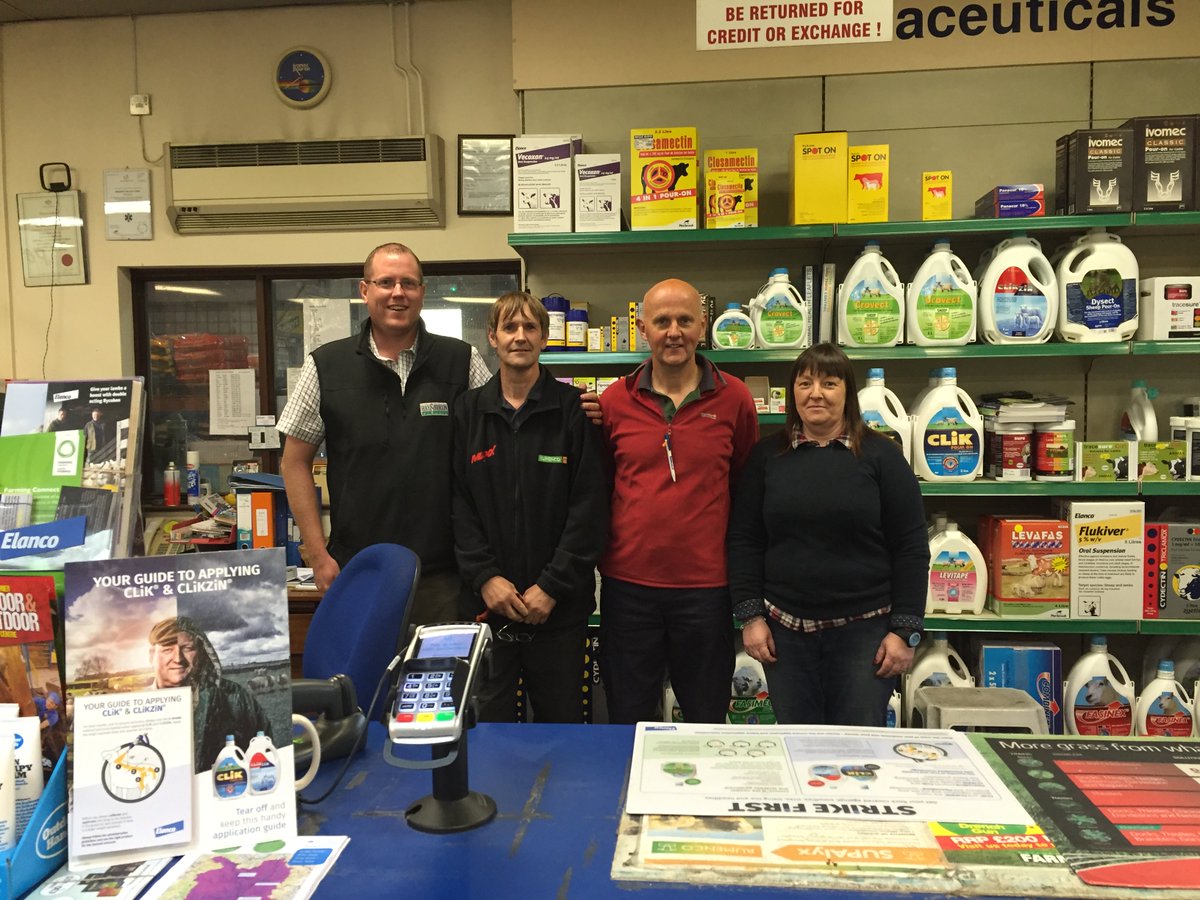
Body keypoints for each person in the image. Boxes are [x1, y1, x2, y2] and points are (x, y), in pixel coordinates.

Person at [277, 242, 492, 624]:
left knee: (440, 681)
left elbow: (502, 435)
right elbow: (294, 462)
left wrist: (579, 408)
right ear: (365, 290)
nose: (398, 293)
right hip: (359, 572)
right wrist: (316, 555)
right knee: (364, 683)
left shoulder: (461, 361)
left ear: (422, 293)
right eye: (386, 282)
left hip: (443, 576)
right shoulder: (326, 365)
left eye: (408, 283)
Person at [727, 343, 930, 727]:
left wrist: (906, 629)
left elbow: (911, 548)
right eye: (804, 383)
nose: (815, 393)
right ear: (793, 393)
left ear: (847, 393)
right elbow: (744, 540)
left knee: (856, 749)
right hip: (784, 634)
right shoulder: (767, 457)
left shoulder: (882, 457)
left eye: (829, 383)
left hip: (865, 634)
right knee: (797, 745)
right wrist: (750, 616)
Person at [598, 278, 759, 724]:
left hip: (705, 590)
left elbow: (745, 487)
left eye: (684, 320)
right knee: (628, 714)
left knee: (706, 715)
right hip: (628, 588)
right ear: (642, 328)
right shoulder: (615, 401)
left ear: (702, 326)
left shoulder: (735, 399)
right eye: (662, 321)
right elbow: (602, 485)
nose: (674, 331)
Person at [452, 292, 608, 723]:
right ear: (492, 338)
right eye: (509, 327)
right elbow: (458, 506)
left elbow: (589, 508)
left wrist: (552, 586)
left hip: (558, 612)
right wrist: (486, 579)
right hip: (487, 609)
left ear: (544, 338)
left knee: (562, 731)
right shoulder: (467, 413)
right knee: (488, 733)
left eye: (530, 328)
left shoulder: (574, 410)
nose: (520, 337)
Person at [148, 616, 275, 773]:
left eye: (187, 648)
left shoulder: (233, 697)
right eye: (167, 649)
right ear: (151, 655)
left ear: (201, 652)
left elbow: (265, 748)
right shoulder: (136, 707)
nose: (178, 658)